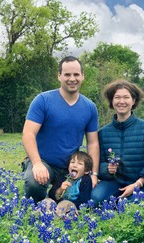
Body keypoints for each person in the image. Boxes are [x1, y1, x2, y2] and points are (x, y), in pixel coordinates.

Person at [22, 56, 99, 204]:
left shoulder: (89, 107)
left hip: (71, 165)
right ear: (59, 76)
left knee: (88, 192)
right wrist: (37, 164)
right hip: (44, 162)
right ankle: (39, 206)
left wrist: (93, 173)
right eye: (67, 74)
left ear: (82, 76)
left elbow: (93, 143)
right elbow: (28, 134)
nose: (72, 79)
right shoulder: (43, 100)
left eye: (76, 74)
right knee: (34, 183)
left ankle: (63, 205)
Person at [91, 79, 144, 204]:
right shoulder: (103, 133)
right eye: (117, 97)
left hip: (140, 182)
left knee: (132, 206)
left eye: (126, 97)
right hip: (113, 182)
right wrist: (107, 169)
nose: (121, 101)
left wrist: (138, 183)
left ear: (133, 101)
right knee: (96, 198)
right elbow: (98, 163)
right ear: (112, 101)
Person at [43, 151, 93, 216]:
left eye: (80, 164)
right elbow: (51, 194)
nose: (75, 165)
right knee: (47, 201)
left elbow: (84, 200)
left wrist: (71, 205)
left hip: (73, 208)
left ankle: (56, 219)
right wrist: (60, 190)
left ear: (86, 171)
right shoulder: (63, 177)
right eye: (72, 162)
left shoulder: (86, 180)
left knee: (65, 204)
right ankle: (44, 217)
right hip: (57, 205)